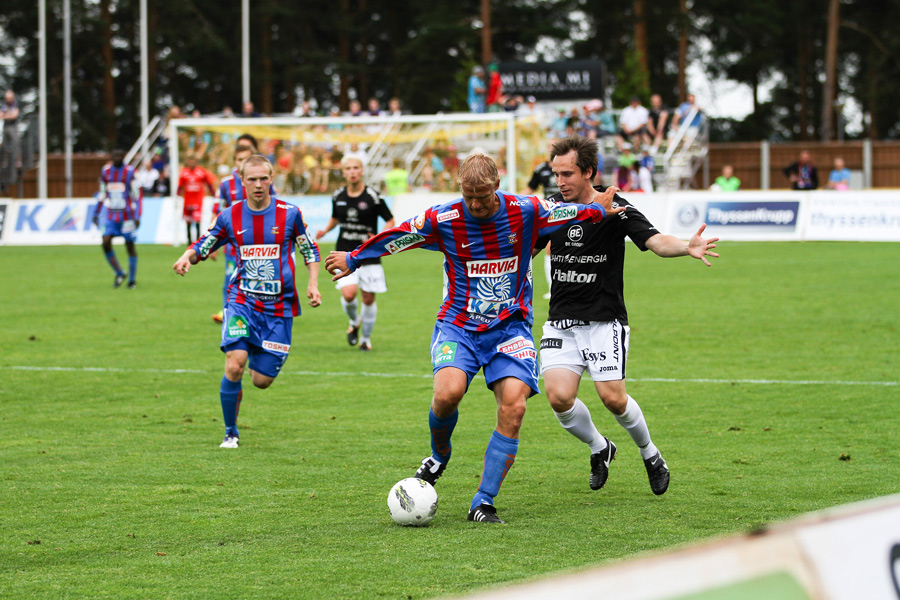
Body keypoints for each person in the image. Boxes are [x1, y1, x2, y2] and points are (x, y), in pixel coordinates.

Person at [324, 152, 624, 524]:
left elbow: (566, 212)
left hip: (510, 328)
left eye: (483, 195)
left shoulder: (525, 210)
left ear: (497, 186)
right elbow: (400, 236)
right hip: (459, 326)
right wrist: (355, 258)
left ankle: (483, 500)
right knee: (446, 394)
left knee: (514, 406)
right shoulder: (444, 217)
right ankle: (438, 455)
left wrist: (597, 212)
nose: (477, 203)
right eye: (469, 196)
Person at [535, 135, 719, 496]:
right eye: (556, 174)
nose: (560, 182)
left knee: (613, 399)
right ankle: (600, 447)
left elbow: (654, 241)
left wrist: (685, 246)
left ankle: (651, 455)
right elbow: (524, 247)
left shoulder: (617, 208)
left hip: (604, 321)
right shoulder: (552, 210)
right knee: (558, 397)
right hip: (562, 322)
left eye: (567, 173)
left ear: (589, 172)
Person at [172, 155, 322, 448]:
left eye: (263, 178)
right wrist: (186, 257)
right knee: (234, 364)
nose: (257, 184)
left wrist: (313, 284)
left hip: (279, 308)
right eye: (251, 179)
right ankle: (230, 431)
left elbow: (309, 250)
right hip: (242, 300)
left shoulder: (290, 214)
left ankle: (254, 349)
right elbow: (206, 243)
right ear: (241, 182)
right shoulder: (230, 215)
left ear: (271, 180)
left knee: (261, 380)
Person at [316, 154, 394, 351]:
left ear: (362, 170)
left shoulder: (373, 196)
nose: (352, 172)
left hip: (368, 253)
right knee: (349, 295)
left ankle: (366, 340)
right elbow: (336, 218)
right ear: (343, 172)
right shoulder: (338, 196)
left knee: (368, 298)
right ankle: (353, 322)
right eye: (348, 168)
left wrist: (378, 238)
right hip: (344, 252)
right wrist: (325, 230)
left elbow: (390, 220)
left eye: (356, 168)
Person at [210, 143, 277, 324]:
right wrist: (212, 243)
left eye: (245, 160)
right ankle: (229, 313)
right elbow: (217, 212)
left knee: (259, 278)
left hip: (259, 243)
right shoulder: (225, 184)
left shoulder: (262, 181)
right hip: (233, 245)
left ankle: (259, 312)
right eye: (239, 160)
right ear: (234, 162)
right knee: (231, 279)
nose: (241, 163)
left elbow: (275, 208)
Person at [92, 149, 142, 289]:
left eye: (120, 155)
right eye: (115, 155)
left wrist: (137, 215)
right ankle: (119, 272)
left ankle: (132, 280)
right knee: (105, 241)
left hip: (127, 216)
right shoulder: (106, 172)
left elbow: (136, 195)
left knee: (130, 246)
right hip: (111, 215)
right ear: (112, 157)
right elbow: (102, 192)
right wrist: (96, 212)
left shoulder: (130, 172)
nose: (117, 158)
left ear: (124, 157)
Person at [523, 142, 562, 300]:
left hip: (568, 209)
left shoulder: (567, 167)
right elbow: (530, 189)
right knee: (549, 248)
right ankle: (553, 288)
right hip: (549, 213)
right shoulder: (541, 170)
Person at [177, 153, 217, 244]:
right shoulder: (184, 172)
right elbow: (179, 186)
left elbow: (209, 183)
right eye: (190, 161)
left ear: (195, 162)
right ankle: (189, 240)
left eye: (193, 161)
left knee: (197, 220)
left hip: (197, 200)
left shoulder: (201, 171)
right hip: (187, 200)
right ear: (188, 162)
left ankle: (198, 240)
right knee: (188, 221)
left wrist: (213, 194)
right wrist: (177, 195)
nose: (191, 163)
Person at [0, 90, 20, 194]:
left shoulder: (15, 104)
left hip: (12, 127)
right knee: (5, 146)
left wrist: (6, 115)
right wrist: (7, 115)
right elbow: (1, 114)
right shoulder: (5, 105)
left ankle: (16, 160)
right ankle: (4, 161)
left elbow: (14, 115)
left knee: (15, 144)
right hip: (6, 127)